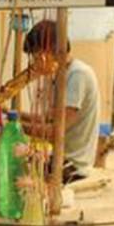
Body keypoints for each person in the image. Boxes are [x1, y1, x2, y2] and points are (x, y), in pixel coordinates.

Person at [20, 20, 101, 184]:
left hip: (72, 166)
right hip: (59, 158)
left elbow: (55, 132)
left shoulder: (77, 75)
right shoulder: (60, 74)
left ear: (49, 51)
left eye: (36, 57)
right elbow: (47, 119)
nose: (35, 63)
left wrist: (16, 127)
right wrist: (12, 115)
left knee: (14, 173)